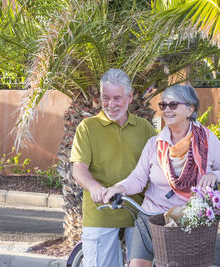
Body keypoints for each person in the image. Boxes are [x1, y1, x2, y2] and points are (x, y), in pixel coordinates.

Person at [103, 84, 220, 267]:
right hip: (151, 217)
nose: (167, 110)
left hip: (188, 222)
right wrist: (120, 187)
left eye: (173, 105)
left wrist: (214, 175)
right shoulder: (155, 144)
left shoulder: (206, 140)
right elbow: (137, 178)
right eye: (163, 105)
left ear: (189, 110)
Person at [70, 68, 157, 267]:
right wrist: (96, 188)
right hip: (101, 211)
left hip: (138, 212)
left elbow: (161, 163)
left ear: (130, 97)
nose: (111, 104)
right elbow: (79, 169)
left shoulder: (144, 128)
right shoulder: (88, 127)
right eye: (105, 98)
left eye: (117, 98)